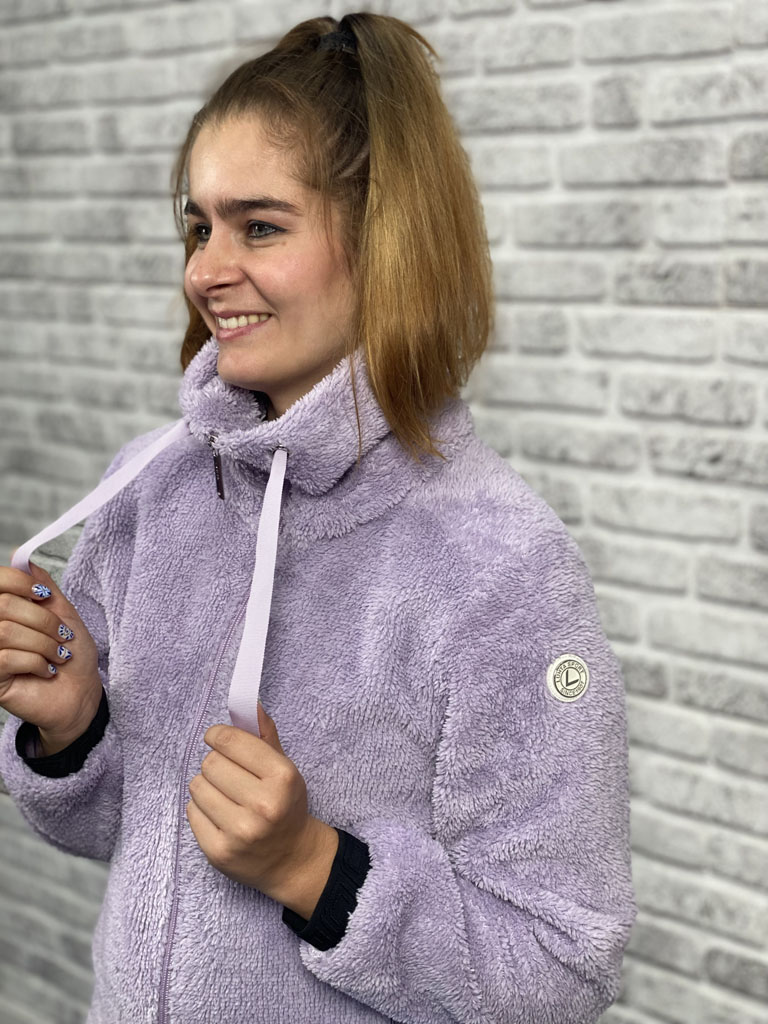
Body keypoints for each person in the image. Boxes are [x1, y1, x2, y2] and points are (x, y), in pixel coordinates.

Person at [0, 12, 636, 1024]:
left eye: (259, 226)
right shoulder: (150, 492)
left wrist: (311, 867)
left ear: (387, 242)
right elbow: (123, 837)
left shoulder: (501, 567)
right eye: (199, 226)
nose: (205, 270)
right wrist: (72, 727)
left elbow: (564, 965)